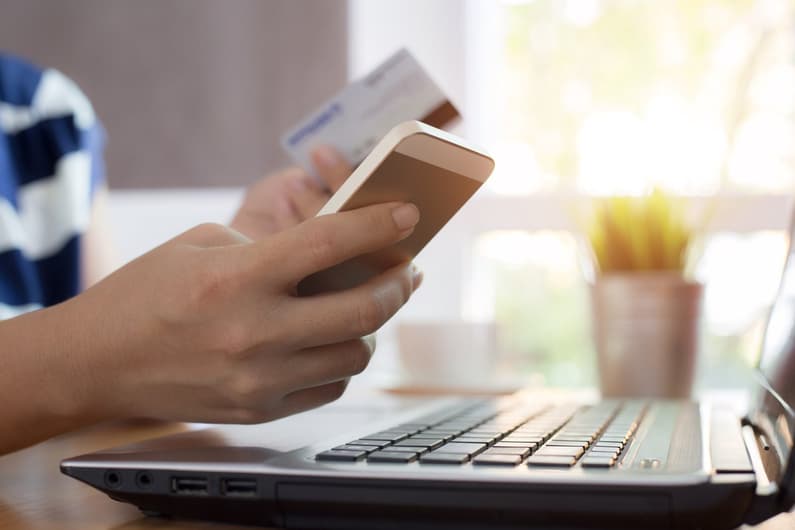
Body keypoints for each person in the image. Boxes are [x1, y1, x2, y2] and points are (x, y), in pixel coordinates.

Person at [0, 53, 422, 455]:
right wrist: (99, 359)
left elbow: (105, 383)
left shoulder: (47, 112)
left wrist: (244, 260)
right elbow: (96, 355)